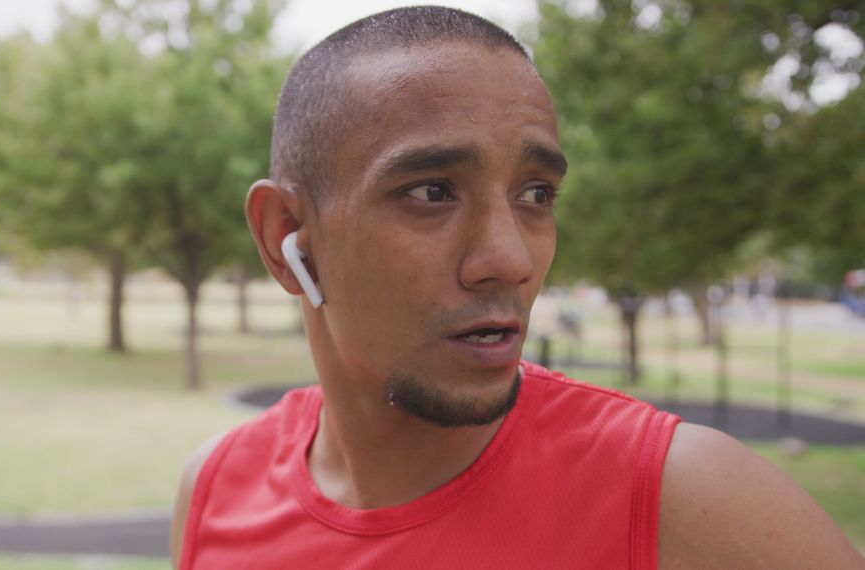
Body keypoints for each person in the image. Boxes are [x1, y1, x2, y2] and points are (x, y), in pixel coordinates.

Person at [170, 6, 865, 569]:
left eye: (536, 193)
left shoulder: (679, 494)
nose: (509, 259)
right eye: (432, 192)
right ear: (286, 236)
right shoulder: (214, 492)